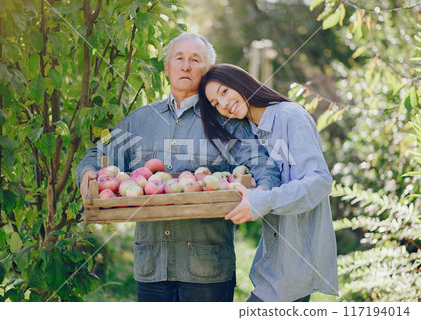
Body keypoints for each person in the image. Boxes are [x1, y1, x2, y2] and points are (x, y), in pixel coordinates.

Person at [76, 35, 281, 302]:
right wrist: (87, 172)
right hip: (151, 266)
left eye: (195, 60)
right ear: (166, 68)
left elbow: (263, 164)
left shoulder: (228, 122)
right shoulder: (140, 121)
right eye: (179, 58)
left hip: (208, 269)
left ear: (207, 72)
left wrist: (261, 194)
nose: (186, 66)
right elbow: (97, 153)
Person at [198, 64, 339, 302]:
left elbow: (319, 181)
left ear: (240, 81)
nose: (223, 105)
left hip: (297, 261)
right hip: (275, 260)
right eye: (215, 104)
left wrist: (262, 200)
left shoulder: (290, 116)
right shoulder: (254, 128)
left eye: (224, 92)